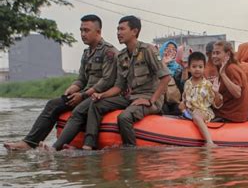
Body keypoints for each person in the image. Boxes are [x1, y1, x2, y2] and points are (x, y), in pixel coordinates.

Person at [3, 14, 118, 151]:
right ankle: (29, 143)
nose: (82, 34)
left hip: (99, 96)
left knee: (78, 111)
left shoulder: (109, 52)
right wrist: (73, 88)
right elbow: (81, 79)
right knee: (53, 104)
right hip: (84, 93)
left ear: (98, 31)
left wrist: (83, 96)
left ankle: (55, 148)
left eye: (86, 30)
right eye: (81, 30)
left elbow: (106, 81)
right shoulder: (86, 53)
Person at [83, 15, 171, 149]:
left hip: (149, 98)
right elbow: (119, 86)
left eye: (122, 29)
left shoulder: (148, 50)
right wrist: (102, 95)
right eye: (117, 29)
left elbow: (166, 77)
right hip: (131, 97)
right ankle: (89, 145)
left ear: (134, 31)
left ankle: (130, 151)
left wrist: (151, 101)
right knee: (96, 104)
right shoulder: (121, 55)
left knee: (124, 117)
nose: (118, 33)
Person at [179, 52, 222, 147]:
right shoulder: (187, 84)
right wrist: (183, 105)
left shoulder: (207, 84)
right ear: (189, 68)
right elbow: (185, 98)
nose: (197, 69)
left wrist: (216, 93)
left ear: (204, 68)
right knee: (183, 108)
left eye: (200, 67)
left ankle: (210, 142)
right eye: (194, 67)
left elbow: (216, 104)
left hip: (204, 111)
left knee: (196, 116)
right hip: (190, 111)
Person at [212, 41, 248, 122]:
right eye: (213, 53)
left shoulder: (231, 68)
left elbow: (237, 93)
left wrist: (223, 74)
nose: (214, 56)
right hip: (228, 112)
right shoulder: (223, 68)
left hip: (231, 115)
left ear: (228, 55)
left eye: (218, 53)